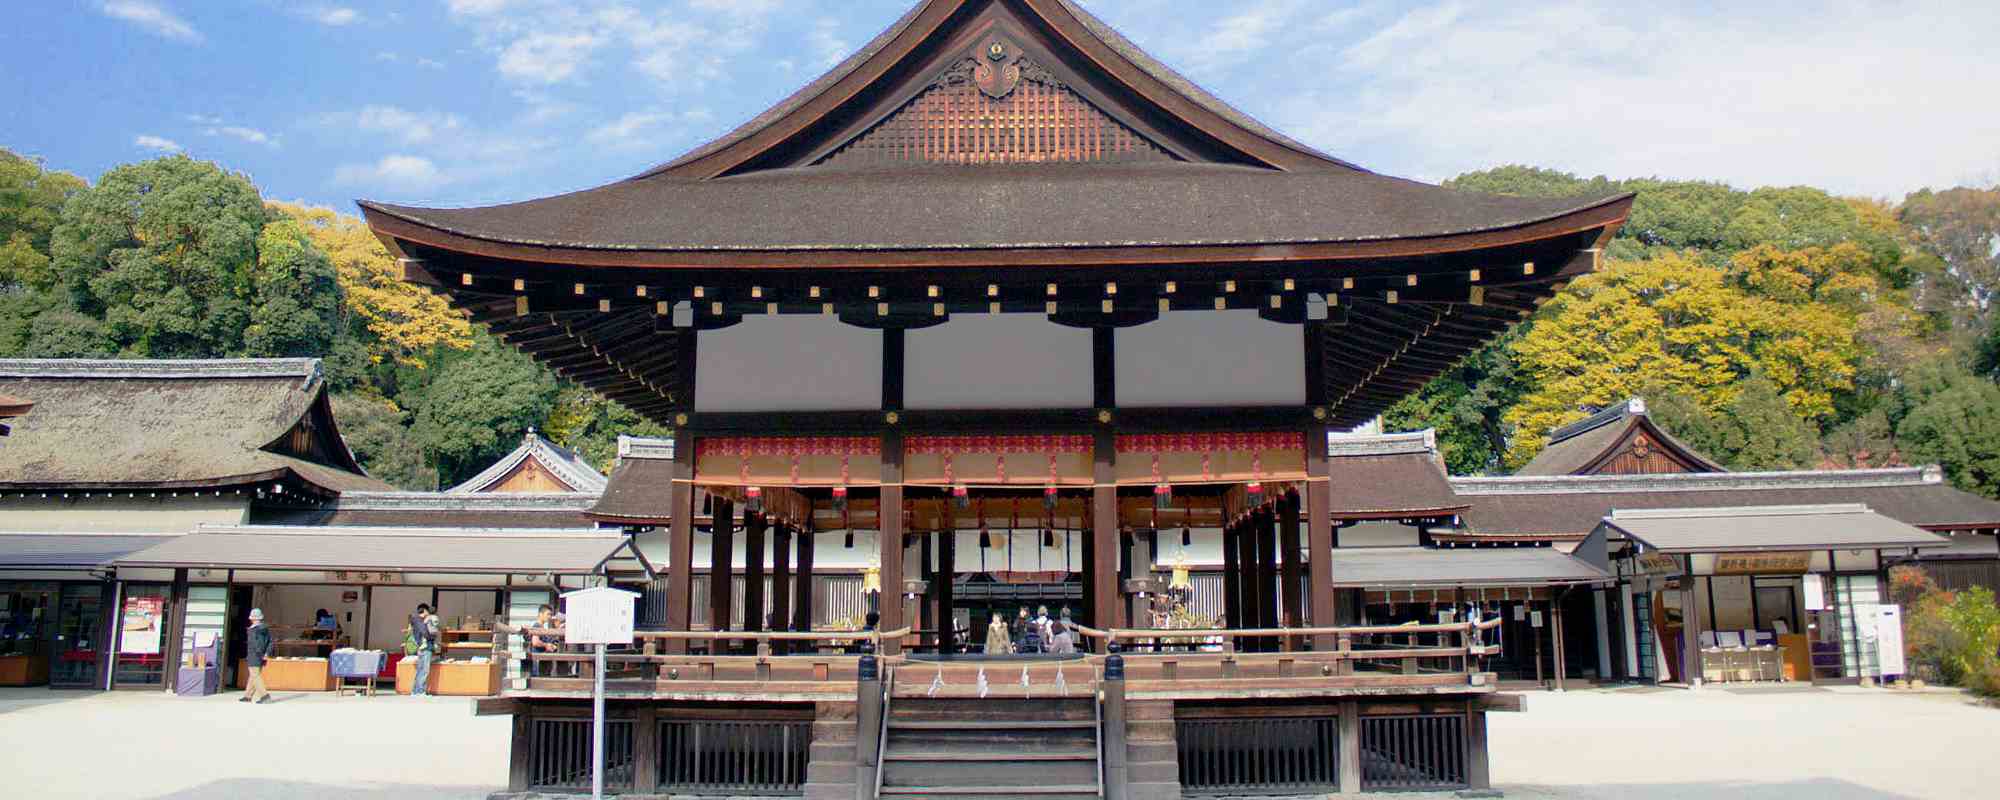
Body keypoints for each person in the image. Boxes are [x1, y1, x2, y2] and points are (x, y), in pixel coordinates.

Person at [241, 608, 273, 704]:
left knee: (255, 675)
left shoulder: (252, 630)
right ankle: (248, 696)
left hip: (254, 655)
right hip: (262, 655)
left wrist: (259, 654)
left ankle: (265, 696)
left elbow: (254, 644)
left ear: (251, 618)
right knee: (253, 675)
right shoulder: (265, 628)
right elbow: (270, 641)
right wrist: (266, 653)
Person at [409, 603, 438, 696]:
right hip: (425, 647)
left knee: (420, 669)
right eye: (428, 611)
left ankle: (415, 690)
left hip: (421, 648)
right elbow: (425, 633)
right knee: (424, 670)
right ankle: (420, 691)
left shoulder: (417, 620)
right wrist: (433, 636)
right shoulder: (419, 620)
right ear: (425, 611)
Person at [529, 604, 561, 676]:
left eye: (550, 614)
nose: (549, 616)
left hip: (543, 662)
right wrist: (546, 645)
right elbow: (535, 642)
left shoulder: (543, 627)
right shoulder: (537, 626)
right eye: (548, 614)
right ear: (540, 614)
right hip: (538, 662)